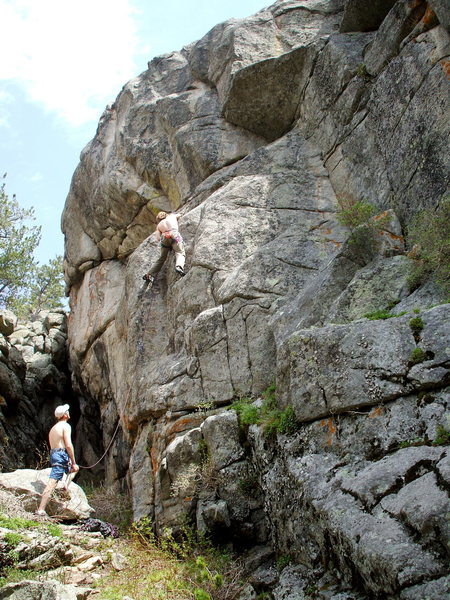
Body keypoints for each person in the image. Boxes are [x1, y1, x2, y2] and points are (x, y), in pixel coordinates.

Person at [35, 404, 79, 516]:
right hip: (61, 454)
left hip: (55, 453)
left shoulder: (53, 428)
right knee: (52, 482)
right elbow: (68, 445)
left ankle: (65, 486)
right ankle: (41, 509)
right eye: (67, 411)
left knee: (74, 470)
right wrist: (73, 461)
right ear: (65, 414)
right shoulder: (66, 426)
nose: (69, 412)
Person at [143, 212, 186, 283]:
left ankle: (149, 274)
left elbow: (158, 238)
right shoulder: (172, 216)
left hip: (165, 237)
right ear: (166, 215)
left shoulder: (159, 225)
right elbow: (179, 215)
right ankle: (179, 266)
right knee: (180, 252)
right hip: (174, 234)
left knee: (162, 258)